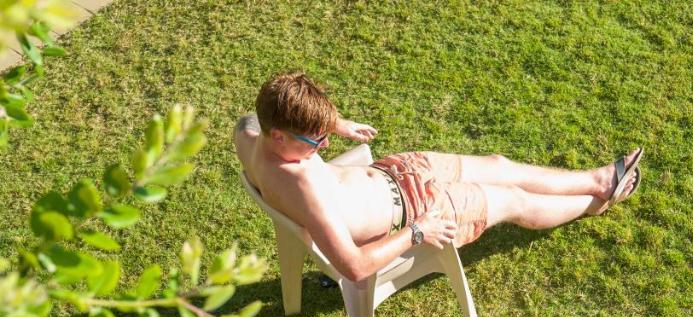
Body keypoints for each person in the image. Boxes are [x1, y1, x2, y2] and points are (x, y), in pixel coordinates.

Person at [234, 72, 642, 283]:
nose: (323, 146)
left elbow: (260, 114)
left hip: (394, 172)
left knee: (498, 165)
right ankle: (596, 201)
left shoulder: (249, 131)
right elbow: (355, 267)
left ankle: (598, 178)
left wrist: (334, 124)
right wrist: (418, 231)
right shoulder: (301, 187)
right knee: (513, 199)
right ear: (279, 136)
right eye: (314, 141)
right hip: (415, 212)